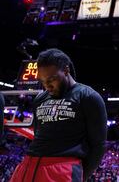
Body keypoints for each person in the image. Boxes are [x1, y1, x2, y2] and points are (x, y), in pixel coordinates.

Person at [10, 48, 107, 182]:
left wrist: (81, 177)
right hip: (28, 165)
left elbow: (99, 145)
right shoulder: (39, 99)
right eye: (43, 81)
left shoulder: (88, 96)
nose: (47, 86)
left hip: (62, 169)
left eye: (51, 79)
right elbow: (37, 134)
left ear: (66, 70)